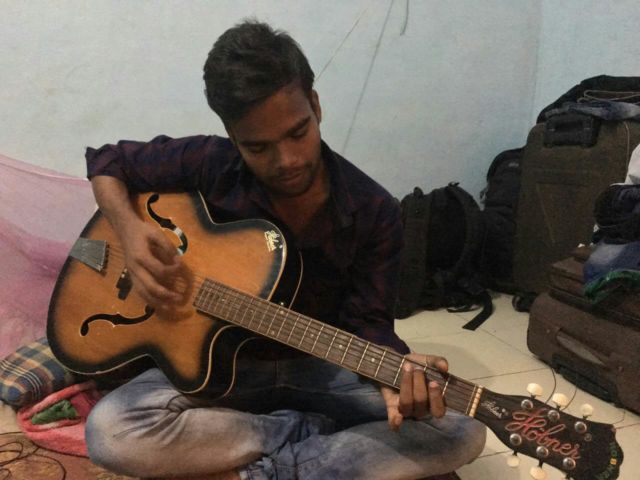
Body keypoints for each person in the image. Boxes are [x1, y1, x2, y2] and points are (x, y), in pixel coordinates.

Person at [84, 20, 486, 480]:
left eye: (298, 133)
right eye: (259, 147)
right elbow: (107, 161)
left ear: (315, 105)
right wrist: (131, 232)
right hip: (221, 367)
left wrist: (396, 370)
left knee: (461, 426)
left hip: (320, 369)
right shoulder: (212, 162)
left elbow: (370, 322)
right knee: (110, 431)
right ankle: (298, 437)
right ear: (232, 135)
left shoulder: (374, 209)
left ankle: (273, 466)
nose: (287, 160)